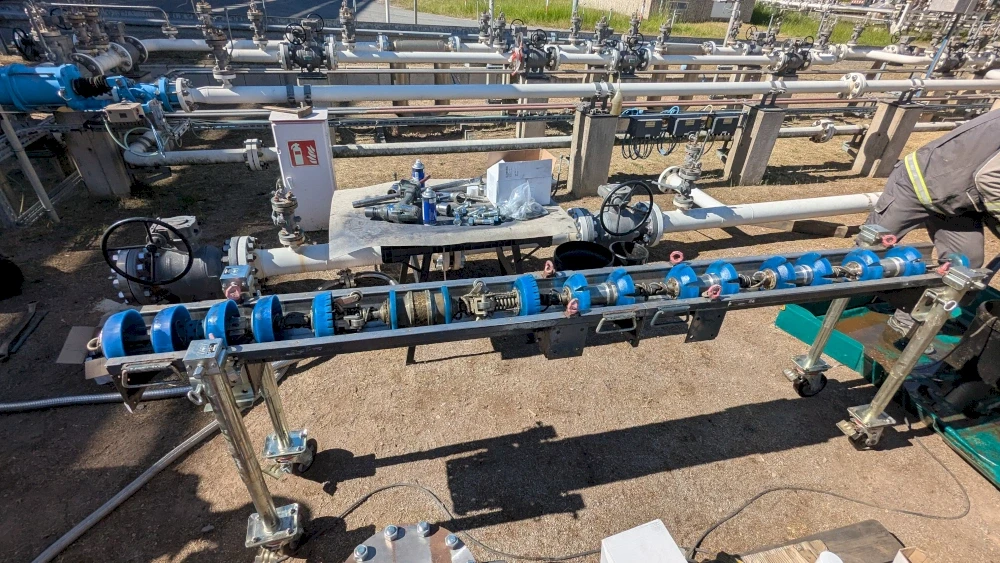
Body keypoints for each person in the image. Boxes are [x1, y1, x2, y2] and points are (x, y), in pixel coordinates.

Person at [865, 108, 1000, 334]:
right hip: (919, 182)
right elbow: (989, 179)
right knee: (869, 250)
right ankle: (825, 303)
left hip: (959, 201)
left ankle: (908, 321)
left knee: (965, 266)